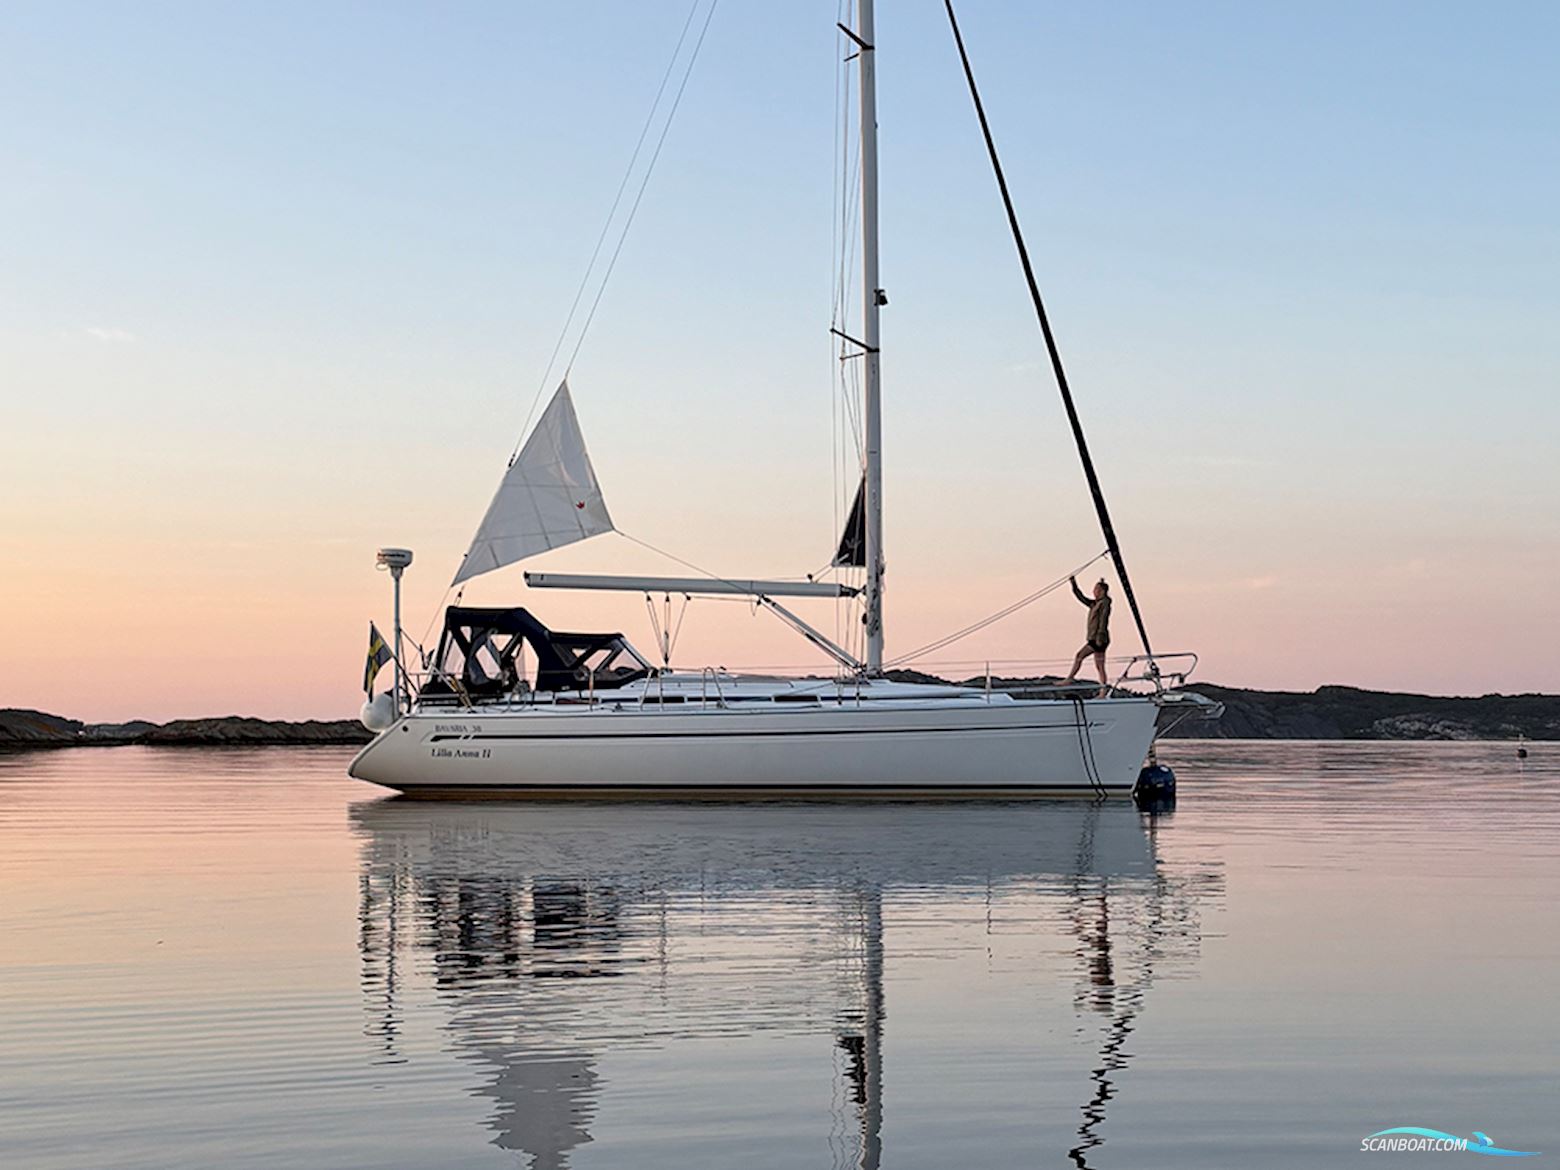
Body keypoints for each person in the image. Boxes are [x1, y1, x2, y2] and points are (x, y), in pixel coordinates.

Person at [1063, 576, 1112, 693]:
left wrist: (1099, 635)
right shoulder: (1094, 603)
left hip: (1098, 639)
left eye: (1096, 589)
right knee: (1100, 666)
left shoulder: (1104, 603)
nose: (1094, 592)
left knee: (1079, 656)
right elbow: (1082, 598)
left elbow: (1104, 619)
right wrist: (1074, 585)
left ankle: (1070, 678)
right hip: (1096, 638)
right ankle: (1103, 692)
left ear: (1102, 591)